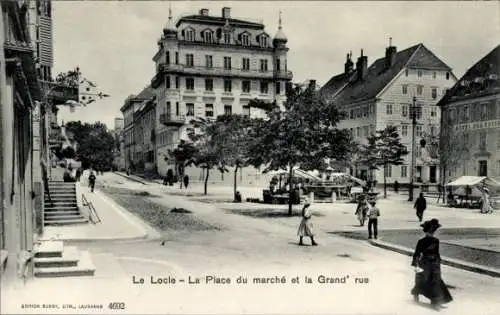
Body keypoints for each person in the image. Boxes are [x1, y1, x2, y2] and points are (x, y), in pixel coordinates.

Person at [411, 219, 453, 309]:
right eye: (429, 232)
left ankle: (435, 301)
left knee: (436, 281)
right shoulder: (421, 241)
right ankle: (416, 293)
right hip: (424, 263)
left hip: (434, 263)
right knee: (423, 280)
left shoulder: (435, 241)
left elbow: (437, 253)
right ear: (426, 232)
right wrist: (416, 264)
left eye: (432, 232)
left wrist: (438, 261)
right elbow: (417, 253)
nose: (431, 234)